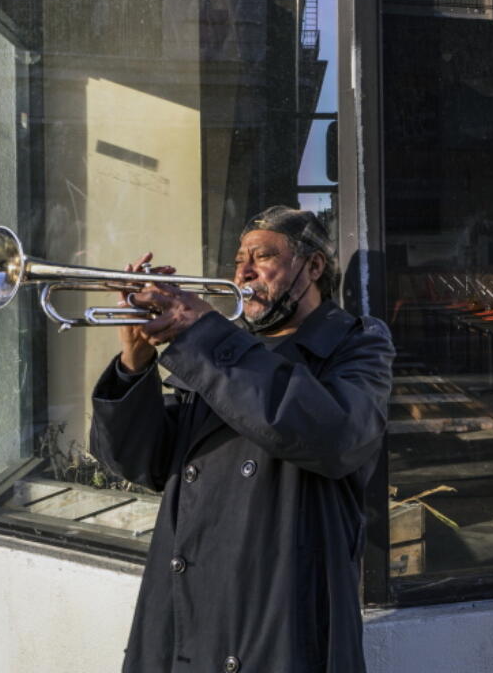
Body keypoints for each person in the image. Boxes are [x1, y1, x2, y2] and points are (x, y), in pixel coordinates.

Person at [90, 206, 394, 673]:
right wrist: (135, 362)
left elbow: (335, 439)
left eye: (263, 256)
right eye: (238, 259)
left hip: (278, 613)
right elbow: (143, 465)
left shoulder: (357, 344)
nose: (244, 271)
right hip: (185, 609)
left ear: (313, 267)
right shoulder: (220, 348)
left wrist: (206, 335)